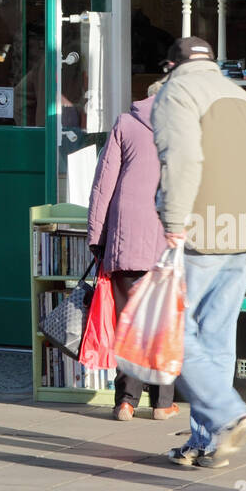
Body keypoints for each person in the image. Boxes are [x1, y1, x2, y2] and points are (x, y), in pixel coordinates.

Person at [150, 36, 246, 468]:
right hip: (243, 231)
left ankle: (228, 415)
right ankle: (208, 443)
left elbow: (184, 159)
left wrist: (173, 221)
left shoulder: (176, 91)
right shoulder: (243, 98)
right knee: (216, 336)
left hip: (200, 231)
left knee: (173, 332)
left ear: (170, 64)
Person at [87, 82, 179, 421]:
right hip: (166, 240)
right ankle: (162, 403)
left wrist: (96, 236)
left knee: (128, 322)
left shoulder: (125, 124)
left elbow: (103, 186)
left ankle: (126, 401)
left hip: (126, 239)